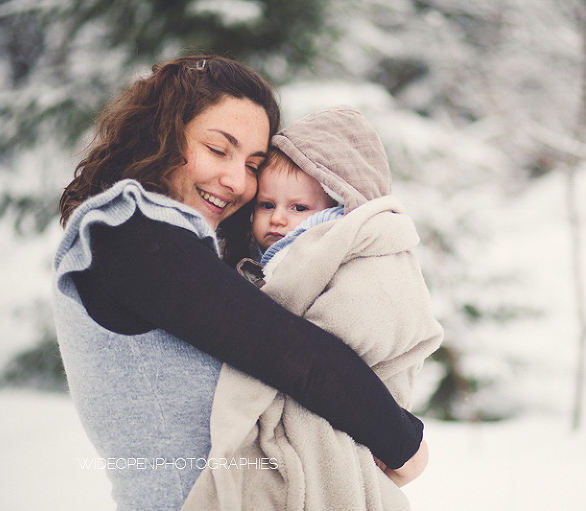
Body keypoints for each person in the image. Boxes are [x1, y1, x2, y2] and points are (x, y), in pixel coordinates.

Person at [52, 56, 427, 511]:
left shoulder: (169, 242)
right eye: (217, 148)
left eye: (252, 164)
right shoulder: (127, 232)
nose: (236, 181)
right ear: (161, 136)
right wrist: (404, 443)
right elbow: (290, 353)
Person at [182, 105, 443, 510]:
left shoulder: (369, 252)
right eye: (266, 205)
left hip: (342, 412)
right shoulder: (264, 262)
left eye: (299, 208)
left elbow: (354, 327)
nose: (278, 219)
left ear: (341, 210)